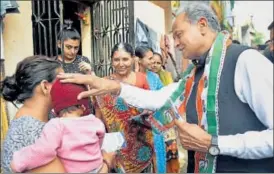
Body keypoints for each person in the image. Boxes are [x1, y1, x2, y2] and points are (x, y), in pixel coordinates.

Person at [57, 2, 273, 173]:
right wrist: (111, 86)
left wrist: (214, 144)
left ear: (202, 25)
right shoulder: (196, 73)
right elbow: (157, 99)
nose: (175, 43)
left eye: (178, 34)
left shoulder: (246, 61)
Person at [0, 56, 112, 173]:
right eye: (62, 82)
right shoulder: (32, 133)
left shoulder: (49, 118)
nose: (68, 85)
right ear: (45, 87)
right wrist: (106, 163)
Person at [10, 80, 107, 173]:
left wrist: (18, 161)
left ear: (56, 110)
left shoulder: (56, 125)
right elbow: (99, 143)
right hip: (97, 168)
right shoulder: (94, 121)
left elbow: (43, 151)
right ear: (83, 107)